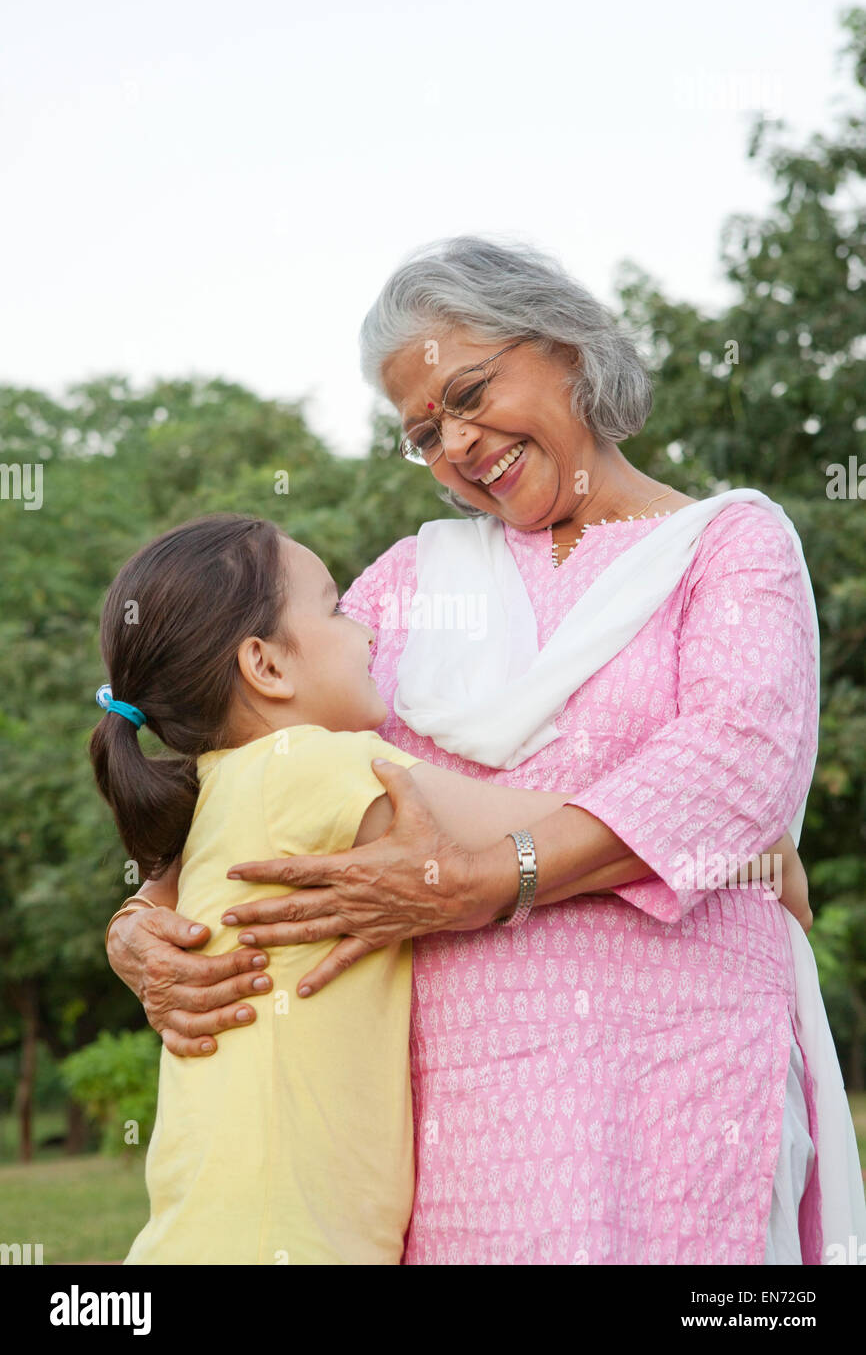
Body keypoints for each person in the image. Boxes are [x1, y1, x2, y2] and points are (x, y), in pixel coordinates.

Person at [107, 236, 864, 1265]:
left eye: (468, 392)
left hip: (677, 1073)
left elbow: (735, 766)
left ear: (563, 348)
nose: (455, 442)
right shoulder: (405, 583)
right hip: (453, 1109)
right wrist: (142, 919)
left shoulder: (728, 545)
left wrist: (492, 877)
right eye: (423, 431)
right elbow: (244, 749)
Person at [94, 511, 718, 1263]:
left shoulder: (224, 787)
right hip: (281, 1238)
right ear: (266, 666)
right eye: (333, 608)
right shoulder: (314, 765)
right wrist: (755, 841)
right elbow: (586, 830)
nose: (369, 635)